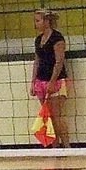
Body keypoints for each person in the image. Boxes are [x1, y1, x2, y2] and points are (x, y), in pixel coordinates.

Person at [31, 9, 69, 147]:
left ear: (47, 21)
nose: (35, 24)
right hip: (41, 81)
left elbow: (59, 62)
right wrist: (33, 82)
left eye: (38, 20)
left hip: (56, 81)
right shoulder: (38, 40)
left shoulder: (57, 38)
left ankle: (67, 147)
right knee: (48, 117)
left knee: (57, 116)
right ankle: (55, 147)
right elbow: (37, 61)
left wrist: (52, 82)